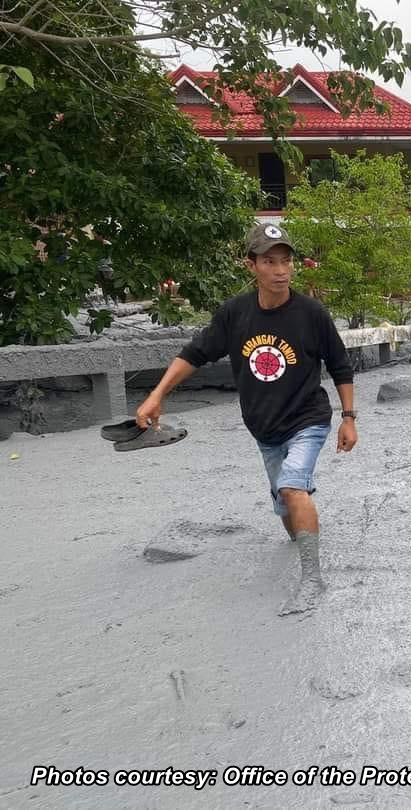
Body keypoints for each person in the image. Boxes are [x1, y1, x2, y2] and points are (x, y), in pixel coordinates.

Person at [135, 223, 357, 615]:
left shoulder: (312, 313)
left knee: (291, 486)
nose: (280, 270)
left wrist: (349, 417)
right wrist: (156, 395)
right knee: (286, 507)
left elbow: (340, 365)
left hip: (309, 418)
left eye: (286, 261)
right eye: (269, 262)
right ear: (250, 265)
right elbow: (194, 354)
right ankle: (299, 526)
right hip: (264, 428)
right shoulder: (235, 314)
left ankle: (312, 581)